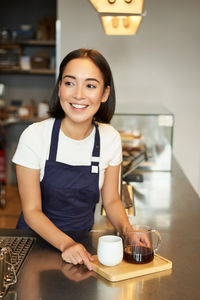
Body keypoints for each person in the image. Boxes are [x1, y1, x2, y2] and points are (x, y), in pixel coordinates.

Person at [12, 48, 133, 271]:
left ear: (104, 94)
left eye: (90, 85)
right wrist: (66, 243)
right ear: (59, 87)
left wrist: (129, 232)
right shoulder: (35, 136)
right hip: (34, 245)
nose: (78, 94)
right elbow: (31, 211)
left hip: (82, 247)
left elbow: (112, 200)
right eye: (69, 83)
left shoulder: (109, 138)